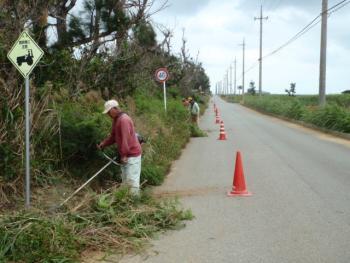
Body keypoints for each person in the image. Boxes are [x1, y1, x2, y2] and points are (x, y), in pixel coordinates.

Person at [97, 99, 142, 195]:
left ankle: (135, 204)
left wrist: (124, 155)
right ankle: (128, 203)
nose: (108, 114)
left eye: (109, 112)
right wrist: (103, 144)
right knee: (125, 181)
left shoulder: (124, 120)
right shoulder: (116, 120)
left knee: (132, 182)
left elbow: (126, 139)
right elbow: (113, 136)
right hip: (126, 155)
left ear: (115, 109)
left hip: (132, 155)